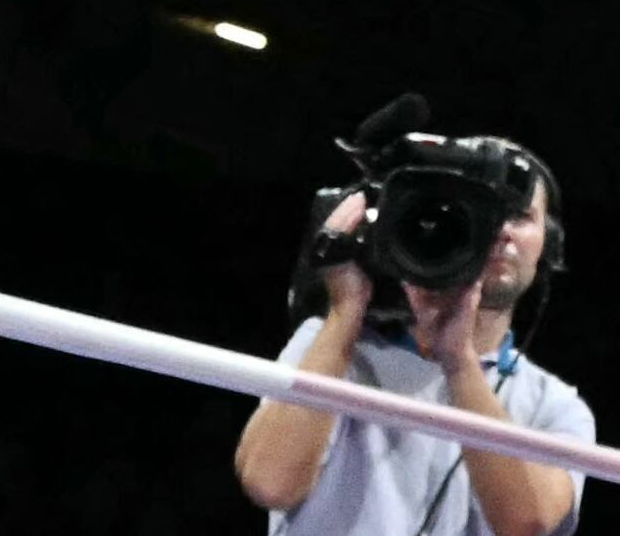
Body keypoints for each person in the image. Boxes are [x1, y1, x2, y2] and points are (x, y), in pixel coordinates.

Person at [236, 143, 592, 536]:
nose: (501, 230)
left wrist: (458, 362)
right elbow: (269, 483)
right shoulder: (332, 345)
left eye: (520, 216)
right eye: (486, 211)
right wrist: (345, 308)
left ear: (549, 243)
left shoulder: (556, 405)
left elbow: (531, 524)